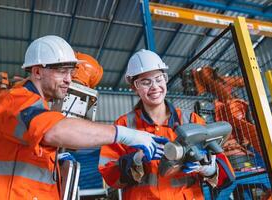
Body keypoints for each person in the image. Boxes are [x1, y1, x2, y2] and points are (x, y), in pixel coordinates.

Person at [0, 36, 168, 200]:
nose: (68, 79)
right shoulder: (16, 100)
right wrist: (125, 135)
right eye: (62, 71)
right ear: (37, 72)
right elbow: (55, 130)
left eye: (71, 72)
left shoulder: (39, 108)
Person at [98, 49, 235, 200]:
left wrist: (207, 168)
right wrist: (135, 159)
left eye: (159, 78)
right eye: (145, 82)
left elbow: (226, 174)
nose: (154, 86)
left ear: (165, 79)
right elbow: (110, 177)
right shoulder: (124, 125)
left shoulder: (191, 120)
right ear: (134, 87)